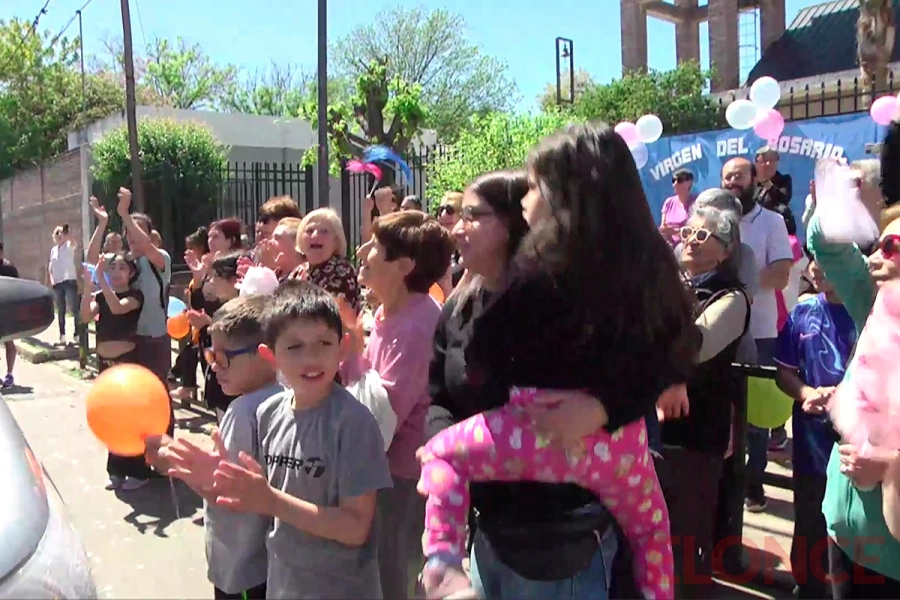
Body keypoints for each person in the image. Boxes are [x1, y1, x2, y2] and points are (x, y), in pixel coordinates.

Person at [419, 124, 700, 599]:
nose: (525, 197)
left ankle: (442, 564)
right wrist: (609, 406)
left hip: (548, 493)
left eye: (532, 185)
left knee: (442, 454)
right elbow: (677, 349)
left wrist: (602, 404)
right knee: (652, 531)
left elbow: (485, 355)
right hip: (614, 458)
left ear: (561, 194)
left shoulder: (538, 268)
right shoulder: (647, 263)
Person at [427, 170, 620, 600]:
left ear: (517, 220)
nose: (457, 227)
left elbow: (630, 375)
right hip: (491, 528)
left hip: (558, 538)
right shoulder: (458, 308)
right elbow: (438, 396)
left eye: (473, 215)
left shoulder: (562, 305)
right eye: (458, 214)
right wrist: (442, 446)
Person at [161, 280, 393, 598]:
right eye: (294, 347)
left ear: (341, 349)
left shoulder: (354, 423)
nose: (310, 358)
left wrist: (271, 501)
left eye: (323, 344)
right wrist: (219, 482)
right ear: (271, 356)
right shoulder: (268, 413)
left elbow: (355, 527)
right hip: (282, 585)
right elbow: (258, 497)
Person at [340, 210, 454, 599]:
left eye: (375, 247)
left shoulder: (417, 325)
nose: (363, 252)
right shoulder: (392, 313)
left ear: (404, 266)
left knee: (394, 578)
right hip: (384, 471)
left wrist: (351, 352)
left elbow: (378, 418)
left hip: (402, 477)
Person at [151, 294, 282, 600]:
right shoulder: (286, 395)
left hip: (243, 565)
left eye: (222, 358)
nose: (213, 367)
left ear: (264, 354)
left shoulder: (244, 411)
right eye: (210, 356)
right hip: (270, 564)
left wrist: (174, 460)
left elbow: (227, 491)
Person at [808, 198, 900, 598]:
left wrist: (891, 467)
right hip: (844, 533)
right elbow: (826, 244)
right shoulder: (878, 306)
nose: (876, 258)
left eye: (891, 247)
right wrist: (841, 197)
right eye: (876, 245)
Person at [662, 191, 750, 599]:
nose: (691, 239)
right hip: (657, 430)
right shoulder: (668, 286)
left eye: (704, 235)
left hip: (697, 436)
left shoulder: (732, 298)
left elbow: (695, 346)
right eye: (689, 231)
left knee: (686, 536)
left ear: (725, 251)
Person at [774, 258, 855, 599]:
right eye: (813, 261)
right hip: (811, 447)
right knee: (809, 523)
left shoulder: (872, 313)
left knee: (851, 536)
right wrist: (806, 392)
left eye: (827, 261)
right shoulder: (802, 313)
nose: (816, 269)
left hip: (857, 452)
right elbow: (784, 372)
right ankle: (805, 588)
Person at [721, 157, 793, 512]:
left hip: (760, 334)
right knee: (722, 411)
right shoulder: (714, 223)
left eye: (739, 175)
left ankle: (754, 483)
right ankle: (725, 484)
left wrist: (737, 288)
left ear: (754, 179)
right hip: (719, 336)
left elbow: (781, 274)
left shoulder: (772, 222)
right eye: (726, 177)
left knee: (757, 419)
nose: (733, 181)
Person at [87, 190, 175, 468]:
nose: (132, 236)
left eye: (138, 231)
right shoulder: (128, 264)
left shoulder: (159, 259)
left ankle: (165, 460)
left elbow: (145, 244)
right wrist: (102, 223)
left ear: (150, 235)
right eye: (128, 232)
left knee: (160, 400)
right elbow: (92, 263)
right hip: (132, 343)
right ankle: (136, 460)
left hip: (156, 340)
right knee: (136, 402)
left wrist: (125, 213)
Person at [78, 252, 150, 490]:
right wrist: (89, 285)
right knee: (112, 417)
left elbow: (118, 308)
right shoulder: (100, 295)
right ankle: (116, 470)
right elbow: (84, 315)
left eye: (122, 267)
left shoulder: (135, 296)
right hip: (105, 366)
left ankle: (139, 472)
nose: (116, 272)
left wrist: (101, 280)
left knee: (131, 417)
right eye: (111, 268)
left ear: (130, 273)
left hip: (128, 363)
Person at [288, 208, 361, 312]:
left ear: (336, 240)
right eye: (309, 231)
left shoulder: (343, 271)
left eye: (324, 232)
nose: (315, 235)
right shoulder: (299, 271)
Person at [48, 224, 79, 346]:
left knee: (74, 308)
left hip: (69, 280)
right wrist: (52, 280)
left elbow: (73, 242)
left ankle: (77, 334)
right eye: (57, 233)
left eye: (62, 233)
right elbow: (50, 267)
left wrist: (68, 236)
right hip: (58, 283)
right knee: (61, 310)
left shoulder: (69, 245)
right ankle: (62, 336)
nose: (60, 235)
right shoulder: (53, 250)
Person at [659, 168, 696, 247]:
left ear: (689, 183)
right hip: (669, 246)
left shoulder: (696, 202)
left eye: (679, 180)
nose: (675, 184)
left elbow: (697, 230)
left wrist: (677, 232)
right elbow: (663, 227)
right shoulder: (668, 202)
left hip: (689, 245)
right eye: (673, 181)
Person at [0, 242, 19, 388]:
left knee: (9, 342)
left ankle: (10, 374)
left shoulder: (9, 268)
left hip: (7, 310)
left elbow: (17, 289)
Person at [755, 146, 793, 211]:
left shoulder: (784, 180)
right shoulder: (750, 180)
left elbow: (784, 200)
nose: (768, 164)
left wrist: (769, 185)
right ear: (756, 163)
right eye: (765, 160)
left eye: (772, 160)